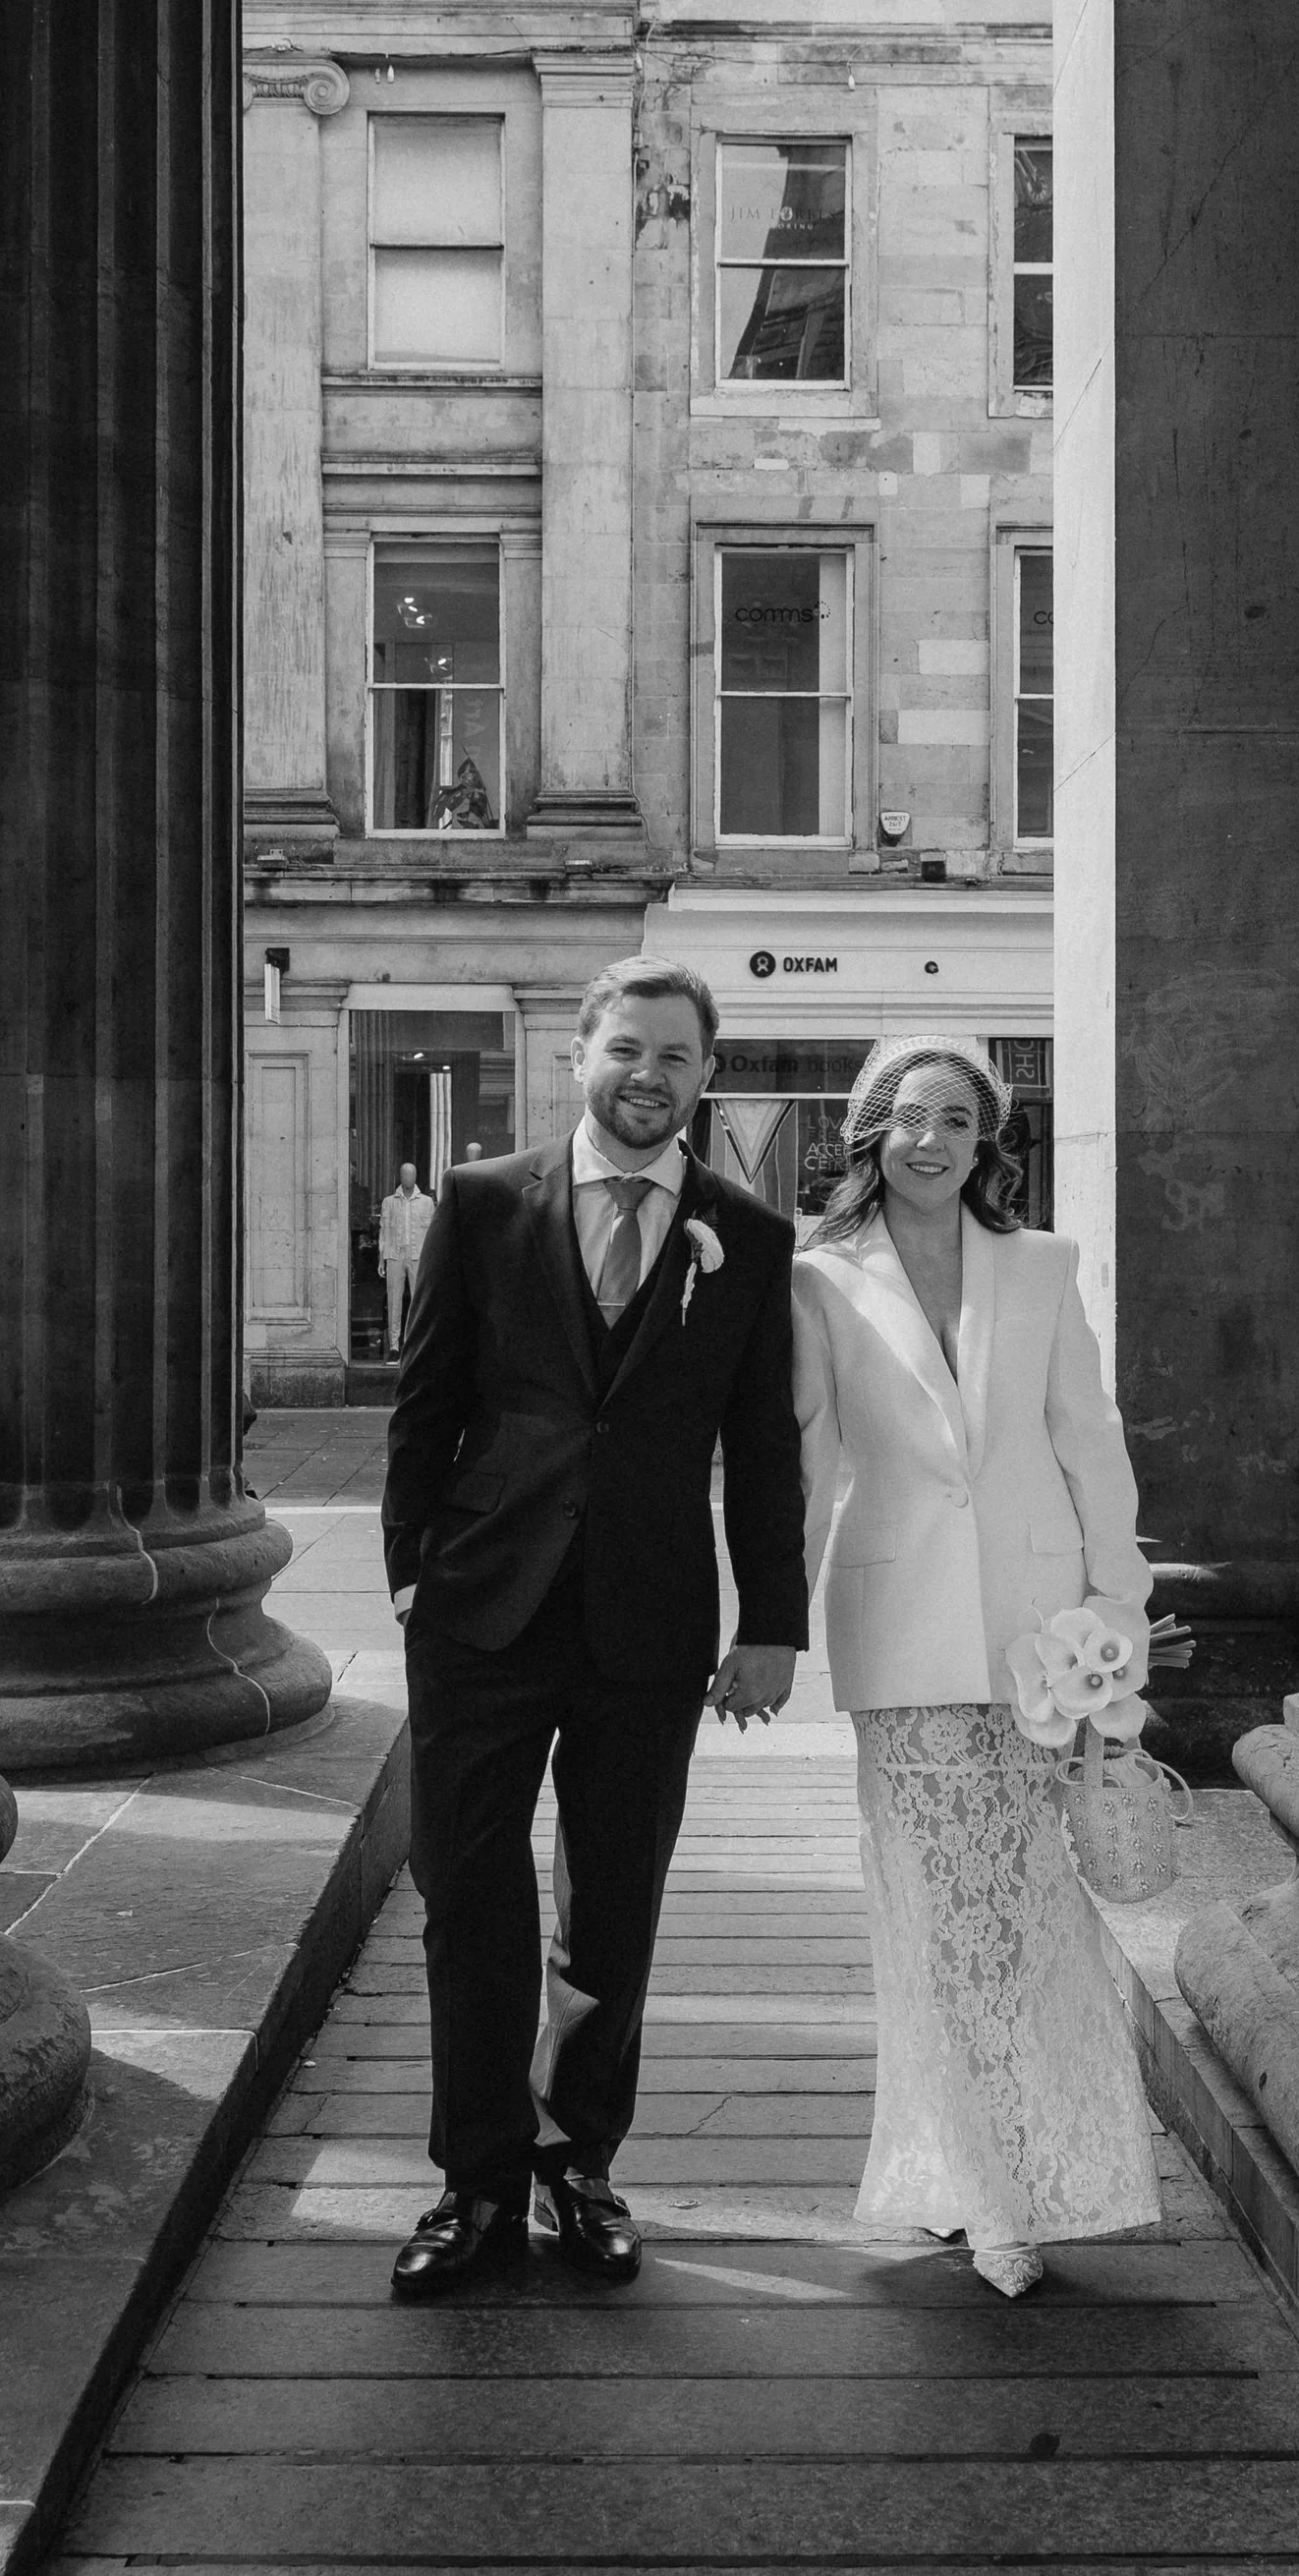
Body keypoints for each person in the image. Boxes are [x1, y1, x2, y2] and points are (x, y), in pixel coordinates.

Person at [381, 957, 807, 2299]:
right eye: (627, 1049)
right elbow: (425, 1402)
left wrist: (774, 1621)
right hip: (481, 1607)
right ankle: (476, 2177)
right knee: (468, 1890)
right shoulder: (486, 1200)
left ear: (704, 1075)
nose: (648, 1077)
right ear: (578, 1054)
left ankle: (583, 2166)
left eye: (676, 1057)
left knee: (613, 1902)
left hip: (649, 1614)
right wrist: (408, 1574)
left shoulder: (749, 1233)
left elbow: (763, 1447)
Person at [792, 1035, 1181, 2298]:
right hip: (896, 1630)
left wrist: (1113, 1609)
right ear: (869, 1131)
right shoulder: (818, 1279)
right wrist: (765, 1624)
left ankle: (1024, 2167)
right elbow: (804, 1463)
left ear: (985, 1141)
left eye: (955, 1119)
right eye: (908, 1116)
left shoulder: (1042, 1266)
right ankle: (982, 2189)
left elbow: (1090, 1440)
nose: (929, 1139)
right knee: (932, 1916)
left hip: (1037, 1634)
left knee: (1020, 1915)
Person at [377, 1163, 433, 1355]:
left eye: (411, 1175)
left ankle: (417, 1342)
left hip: (419, 1256)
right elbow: (383, 1232)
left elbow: (433, 1235)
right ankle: (394, 1344)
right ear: (400, 1177)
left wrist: (431, 1260)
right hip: (395, 1254)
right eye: (405, 1175)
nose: (408, 1178)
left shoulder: (427, 1202)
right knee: (394, 1300)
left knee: (419, 1299)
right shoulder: (389, 1202)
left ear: (416, 1177)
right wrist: (380, 1259)